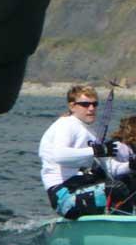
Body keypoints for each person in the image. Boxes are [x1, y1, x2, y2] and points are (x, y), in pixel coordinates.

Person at [38, 85, 130, 218]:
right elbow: (59, 155)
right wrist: (96, 150)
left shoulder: (91, 133)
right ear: (72, 106)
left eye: (94, 104)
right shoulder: (66, 125)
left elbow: (111, 168)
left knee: (130, 183)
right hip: (64, 194)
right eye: (85, 104)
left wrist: (131, 165)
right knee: (116, 189)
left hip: (83, 185)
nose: (91, 108)